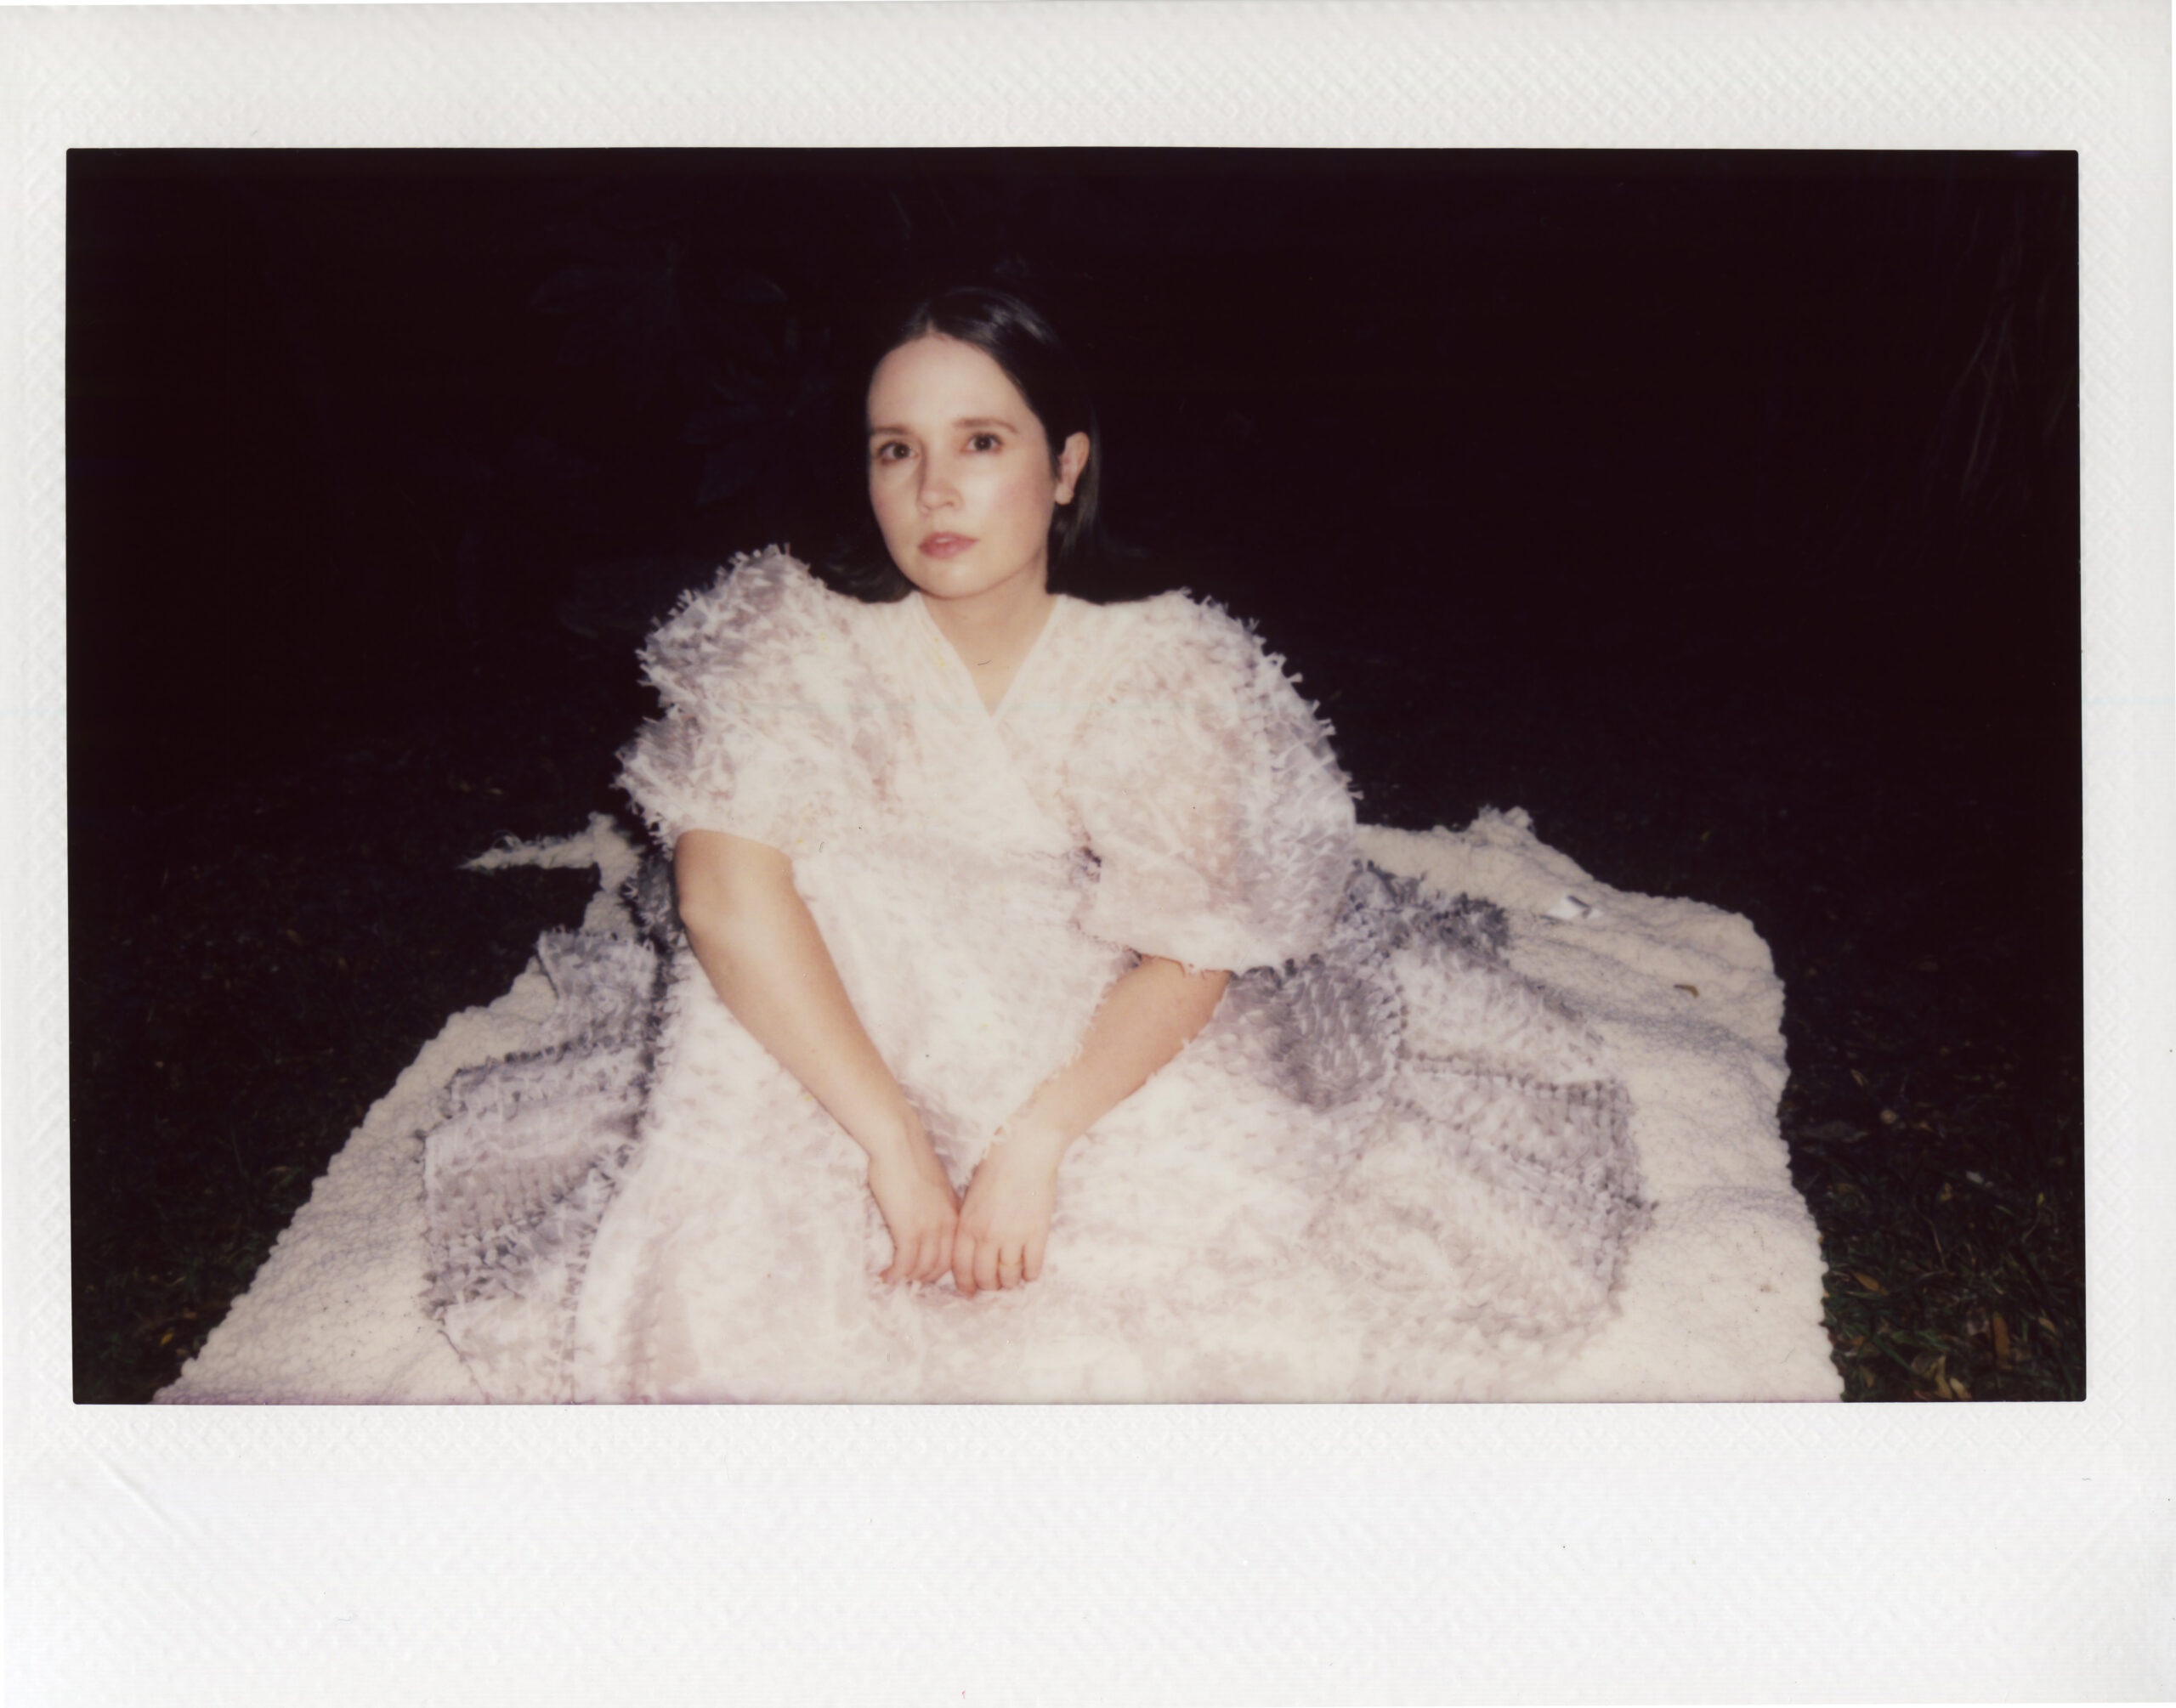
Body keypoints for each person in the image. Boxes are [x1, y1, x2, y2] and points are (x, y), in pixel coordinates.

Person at [426, 286, 1649, 1402]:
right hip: (840, 1017)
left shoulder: (1163, 656)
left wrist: (1037, 1141)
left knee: (1198, 1252)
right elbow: (726, 899)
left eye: (981, 442)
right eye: (896, 450)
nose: (933, 490)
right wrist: (892, 1143)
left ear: (1065, 466)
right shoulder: (792, 625)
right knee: (808, 921)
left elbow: (1188, 949)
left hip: (1067, 1009)